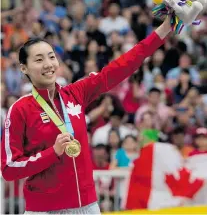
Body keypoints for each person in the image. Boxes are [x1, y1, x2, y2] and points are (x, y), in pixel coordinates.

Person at [1, 16, 171, 214]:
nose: (48, 64)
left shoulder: (76, 94)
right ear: (24, 68)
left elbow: (124, 65)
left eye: (51, 56)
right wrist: (52, 152)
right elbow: (9, 169)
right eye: (39, 60)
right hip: (44, 209)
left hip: (87, 207)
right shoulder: (20, 110)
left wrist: (166, 27)